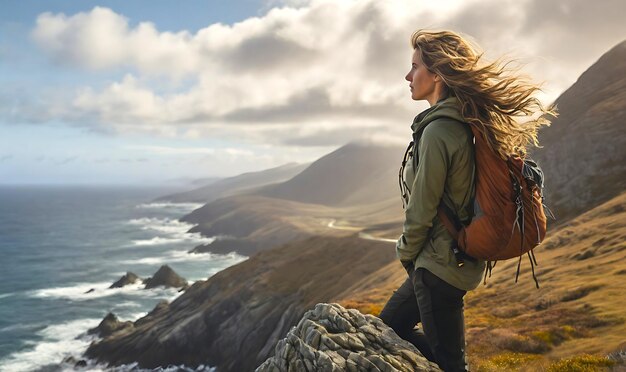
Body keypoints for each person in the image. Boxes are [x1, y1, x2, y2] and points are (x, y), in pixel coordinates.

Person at [378, 30, 554, 372]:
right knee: (389, 328)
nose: (407, 76)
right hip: (445, 263)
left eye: (414, 67)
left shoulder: (439, 132)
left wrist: (405, 251)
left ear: (438, 74)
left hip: (438, 268)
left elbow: (422, 208)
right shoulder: (460, 123)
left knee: (449, 363)